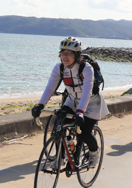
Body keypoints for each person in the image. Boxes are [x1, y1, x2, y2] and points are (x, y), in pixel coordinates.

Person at [31, 37, 109, 168]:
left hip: (91, 103)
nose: (65, 56)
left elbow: (86, 92)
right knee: (58, 128)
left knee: (84, 132)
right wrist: (40, 105)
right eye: (63, 53)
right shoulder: (59, 68)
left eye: (69, 53)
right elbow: (50, 87)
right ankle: (61, 158)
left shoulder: (86, 68)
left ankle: (94, 152)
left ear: (77, 54)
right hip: (72, 100)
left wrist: (80, 112)